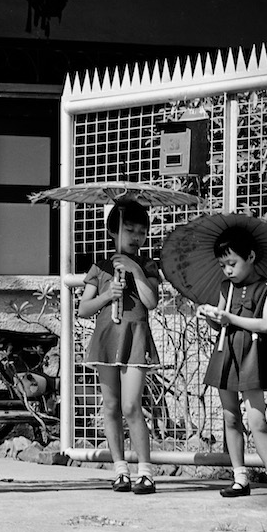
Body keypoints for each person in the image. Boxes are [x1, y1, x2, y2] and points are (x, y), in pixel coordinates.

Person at [197, 225, 267, 501]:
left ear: (250, 256)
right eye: (223, 265)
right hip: (225, 355)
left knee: (257, 420)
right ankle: (239, 478)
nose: (227, 270)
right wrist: (210, 315)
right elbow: (220, 322)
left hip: (251, 355)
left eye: (232, 263)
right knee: (230, 416)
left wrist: (229, 319)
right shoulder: (226, 286)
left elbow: (265, 324)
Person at [78, 200, 162, 495]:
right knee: (111, 405)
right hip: (107, 338)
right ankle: (120, 469)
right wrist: (106, 296)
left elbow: (151, 302)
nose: (136, 236)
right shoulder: (100, 267)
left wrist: (135, 271)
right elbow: (83, 309)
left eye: (142, 231)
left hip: (135, 337)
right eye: (129, 229)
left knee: (131, 405)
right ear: (114, 230)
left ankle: (146, 472)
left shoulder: (148, 264)